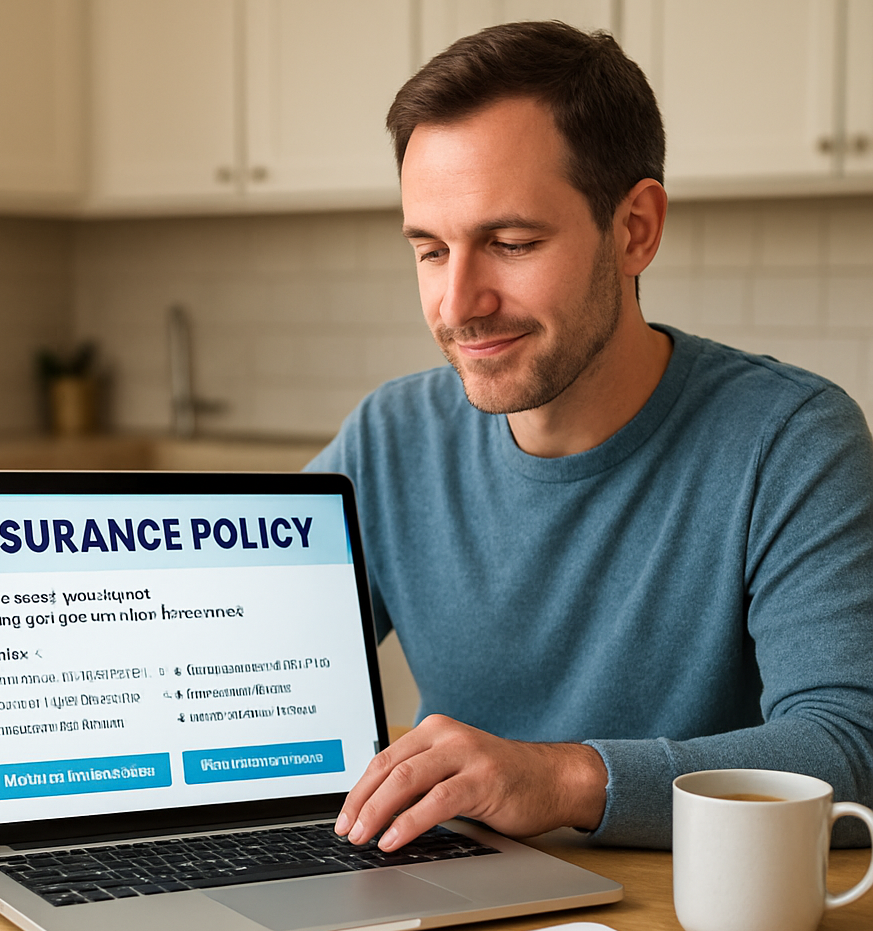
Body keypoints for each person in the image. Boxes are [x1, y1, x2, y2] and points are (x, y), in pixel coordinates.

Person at [307, 21, 873, 850]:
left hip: (685, 929)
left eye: (511, 243)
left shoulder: (789, 440)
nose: (459, 302)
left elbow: (852, 748)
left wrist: (561, 779)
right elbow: (245, 663)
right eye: (430, 251)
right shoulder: (388, 438)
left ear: (636, 228)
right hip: (442, 904)